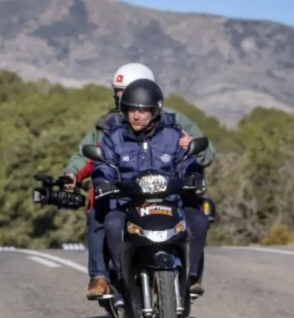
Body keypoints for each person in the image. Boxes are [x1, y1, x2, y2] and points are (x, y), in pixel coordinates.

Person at [62, 63, 215, 299]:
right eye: (120, 93)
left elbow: (197, 154)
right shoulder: (111, 129)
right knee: (101, 215)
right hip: (126, 199)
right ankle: (105, 276)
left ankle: (191, 276)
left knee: (197, 218)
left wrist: (192, 170)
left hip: (169, 197)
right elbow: (93, 157)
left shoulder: (175, 126)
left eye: (128, 92)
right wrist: (79, 175)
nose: (131, 108)